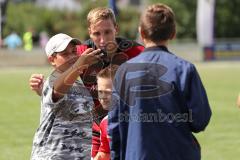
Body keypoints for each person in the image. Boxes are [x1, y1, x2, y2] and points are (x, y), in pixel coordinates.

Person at [29, 7, 145, 158]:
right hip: (96, 131)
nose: (102, 40)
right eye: (97, 33)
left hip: (129, 125)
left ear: (116, 29)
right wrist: (44, 90)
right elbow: (58, 84)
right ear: (89, 32)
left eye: (107, 32)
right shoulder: (82, 54)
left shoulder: (137, 53)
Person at [108, 3, 212, 160]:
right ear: (173, 33)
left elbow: (115, 126)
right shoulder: (185, 69)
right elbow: (200, 120)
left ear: (141, 32)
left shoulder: (124, 72)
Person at [31, 33, 101, 159]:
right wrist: (79, 65)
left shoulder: (81, 86)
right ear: (52, 60)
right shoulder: (52, 81)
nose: (72, 57)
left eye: (74, 52)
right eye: (65, 54)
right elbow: (58, 89)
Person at [93, 65, 119, 160]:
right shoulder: (105, 122)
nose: (103, 97)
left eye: (108, 92)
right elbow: (105, 153)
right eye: (100, 92)